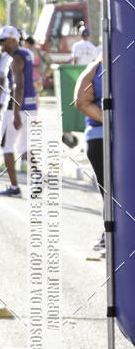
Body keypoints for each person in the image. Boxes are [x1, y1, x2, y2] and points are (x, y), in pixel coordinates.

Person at [0, 25, 37, 197]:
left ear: (13, 40)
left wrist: (15, 113)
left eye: (3, 40)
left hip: (17, 107)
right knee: (24, 147)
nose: (0, 44)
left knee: (7, 147)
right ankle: (38, 176)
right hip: (31, 106)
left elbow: (19, 87)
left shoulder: (16, 59)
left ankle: (14, 187)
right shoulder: (27, 54)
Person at [75, 55, 105, 254]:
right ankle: (110, 235)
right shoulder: (97, 68)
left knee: (111, 192)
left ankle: (110, 235)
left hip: (99, 137)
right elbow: (81, 101)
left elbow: (81, 101)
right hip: (102, 137)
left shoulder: (96, 67)